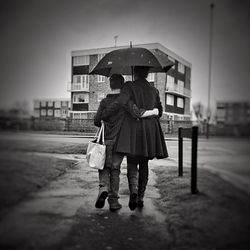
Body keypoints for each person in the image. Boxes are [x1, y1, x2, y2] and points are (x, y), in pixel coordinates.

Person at [94, 74, 158, 211]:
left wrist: (104, 121)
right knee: (115, 169)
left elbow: (96, 120)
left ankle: (103, 188)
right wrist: (153, 111)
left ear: (110, 85)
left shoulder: (104, 101)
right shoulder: (125, 102)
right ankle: (114, 202)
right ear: (122, 85)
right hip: (120, 141)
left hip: (106, 140)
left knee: (103, 167)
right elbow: (135, 113)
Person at [112, 66, 168, 210]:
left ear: (135, 73)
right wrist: (152, 111)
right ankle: (141, 197)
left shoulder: (128, 86)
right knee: (144, 163)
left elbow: (126, 105)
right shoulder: (154, 90)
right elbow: (159, 111)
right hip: (150, 131)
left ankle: (134, 192)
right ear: (147, 74)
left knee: (132, 162)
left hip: (134, 129)